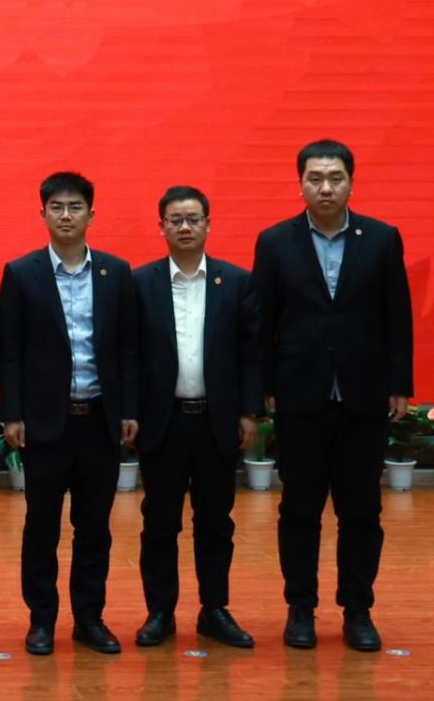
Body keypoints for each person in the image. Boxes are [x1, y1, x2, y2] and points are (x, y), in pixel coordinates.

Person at [253, 140, 412, 653]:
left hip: (363, 395)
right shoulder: (275, 242)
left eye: (335, 178)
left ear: (351, 183)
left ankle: (358, 610)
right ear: (300, 183)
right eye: (316, 178)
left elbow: (397, 315)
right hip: (300, 396)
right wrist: (265, 388)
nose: (326, 187)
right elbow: (262, 324)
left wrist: (399, 383)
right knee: (299, 510)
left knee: (361, 511)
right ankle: (300, 608)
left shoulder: (382, 238)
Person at [0, 171, 137, 656]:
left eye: (75, 207)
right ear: (42, 214)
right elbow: (10, 350)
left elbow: (127, 349)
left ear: (91, 215)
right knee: (42, 526)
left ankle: (89, 619)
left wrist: (128, 409)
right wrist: (12, 414)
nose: (65, 215)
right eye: (56, 207)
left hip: (98, 420)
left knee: (94, 527)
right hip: (44, 424)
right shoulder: (22, 273)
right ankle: (41, 620)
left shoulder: (116, 273)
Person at [130, 186, 260, 651]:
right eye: (175, 220)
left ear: (208, 224)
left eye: (193, 219)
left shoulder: (237, 281)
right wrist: (130, 413)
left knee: (216, 521)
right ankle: (160, 612)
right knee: (160, 522)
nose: (185, 227)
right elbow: (128, 355)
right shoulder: (139, 283)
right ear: (161, 226)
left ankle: (214, 609)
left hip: (216, 421)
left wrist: (249, 412)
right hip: (162, 422)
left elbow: (251, 355)